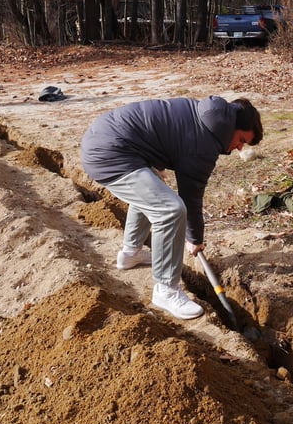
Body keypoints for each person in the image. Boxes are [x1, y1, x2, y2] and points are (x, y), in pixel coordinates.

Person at [81, 96, 263, 320]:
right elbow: (191, 197)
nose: (239, 147)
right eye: (241, 139)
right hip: (108, 154)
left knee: (155, 193)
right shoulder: (205, 142)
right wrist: (195, 238)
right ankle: (166, 289)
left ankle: (131, 253)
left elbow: (164, 133)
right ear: (234, 127)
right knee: (170, 209)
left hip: (108, 139)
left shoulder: (207, 114)